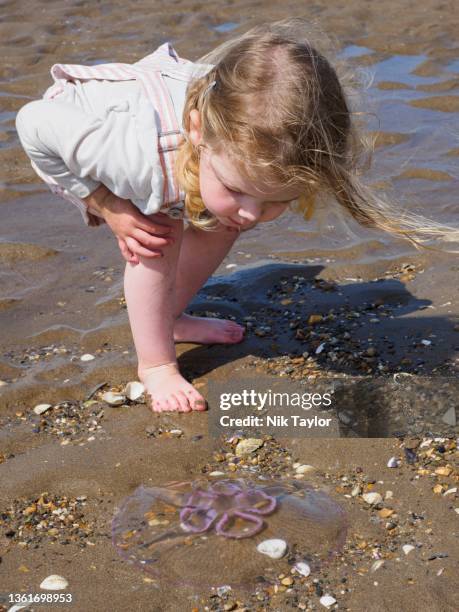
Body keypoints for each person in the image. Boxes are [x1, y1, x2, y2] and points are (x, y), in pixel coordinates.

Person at [15, 18, 457, 414]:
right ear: (198, 132)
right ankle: (155, 363)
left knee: (220, 222)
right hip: (76, 143)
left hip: (175, 134)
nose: (252, 213)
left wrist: (232, 197)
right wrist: (104, 203)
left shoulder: (244, 142)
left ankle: (171, 315)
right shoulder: (134, 156)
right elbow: (33, 122)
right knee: (155, 238)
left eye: (273, 202)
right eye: (237, 189)